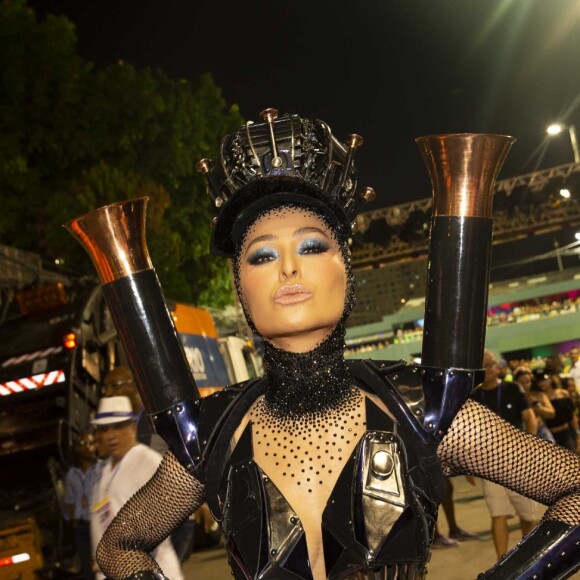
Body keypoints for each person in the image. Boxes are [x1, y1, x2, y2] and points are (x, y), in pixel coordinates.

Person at [85, 110, 580, 579]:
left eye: (311, 245)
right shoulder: (212, 435)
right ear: (241, 289)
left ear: (347, 270)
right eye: (260, 256)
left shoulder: (419, 409)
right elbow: (118, 545)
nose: (288, 268)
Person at [89, 396, 183, 580]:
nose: (111, 435)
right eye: (104, 429)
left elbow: (164, 518)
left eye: (117, 427)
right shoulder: (102, 470)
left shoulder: (148, 462)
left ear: (132, 428)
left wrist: (116, 555)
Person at [471, 350, 539, 560]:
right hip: (489, 464)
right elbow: (469, 434)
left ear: (498, 367)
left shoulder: (512, 389)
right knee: (497, 513)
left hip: (518, 460)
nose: (488, 370)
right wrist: (468, 464)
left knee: (528, 514)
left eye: (490, 364)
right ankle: (502, 561)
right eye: (483, 366)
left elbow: (530, 419)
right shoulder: (474, 397)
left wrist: (530, 446)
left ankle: (530, 556)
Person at [64, 431, 97, 580]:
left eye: (90, 443)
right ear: (77, 448)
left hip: (97, 524)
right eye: (83, 444)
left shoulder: (100, 470)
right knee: (87, 567)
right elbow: (70, 500)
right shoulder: (72, 474)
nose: (87, 447)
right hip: (82, 527)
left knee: (103, 562)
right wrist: (74, 522)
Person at [533, 368, 579, 453]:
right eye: (539, 381)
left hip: (566, 433)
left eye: (544, 380)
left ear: (550, 379)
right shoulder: (539, 398)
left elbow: (572, 416)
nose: (542, 383)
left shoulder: (562, 393)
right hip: (549, 436)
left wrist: (578, 433)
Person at [514, 366, 556, 443]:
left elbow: (552, 413)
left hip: (541, 431)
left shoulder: (539, 395)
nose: (525, 385)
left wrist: (539, 408)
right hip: (523, 434)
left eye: (527, 381)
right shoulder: (514, 399)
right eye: (522, 382)